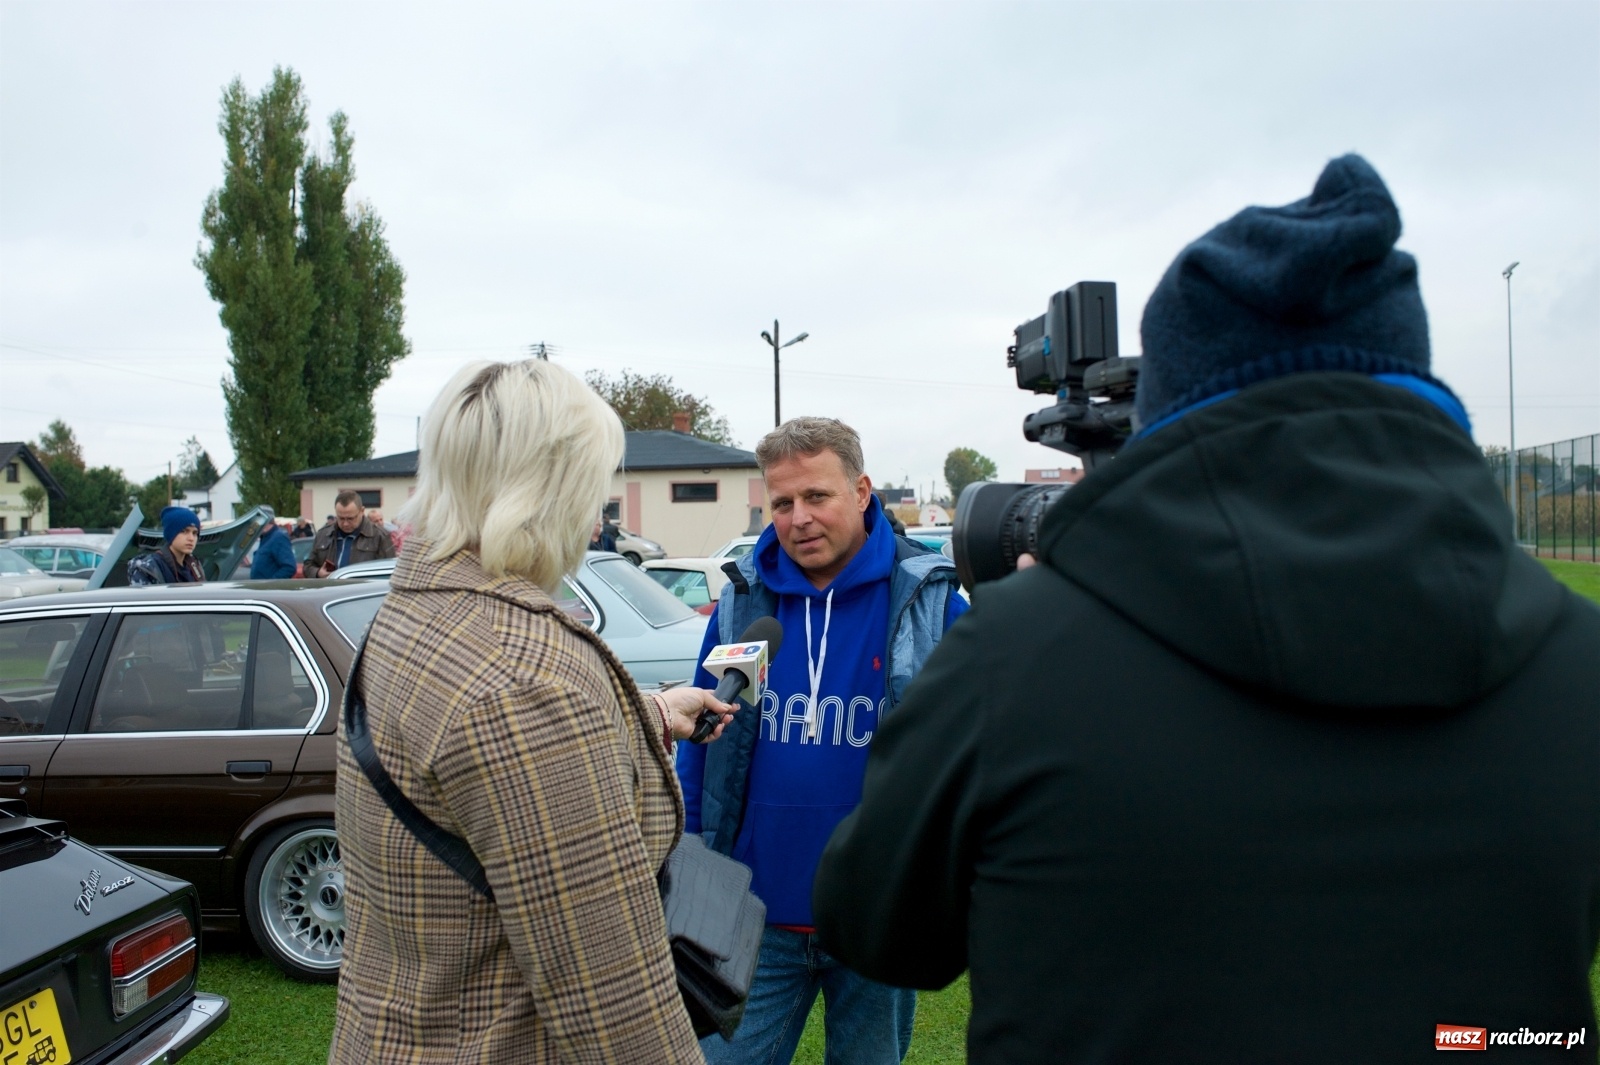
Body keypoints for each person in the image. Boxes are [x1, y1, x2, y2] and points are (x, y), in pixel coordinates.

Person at [812, 155, 1600, 1062]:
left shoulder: (1016, 657)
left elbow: (875, 925)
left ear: (1167, 414)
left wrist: (1040, 620)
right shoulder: (1576, 658)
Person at [329, 359, 738, 1063]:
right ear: (546, 493)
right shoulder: (524, 678)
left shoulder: (419, 611)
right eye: (592, 491)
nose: (595, 518)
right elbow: (614, 1004)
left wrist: (649, 712)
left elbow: (477, 769)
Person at [677, 417, 967, 1065]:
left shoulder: (930, 600)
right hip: (751, 913)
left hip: (879, 913)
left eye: (817, 496)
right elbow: (699, 742)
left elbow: (978, 749)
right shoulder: (743, 603)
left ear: (861, 492)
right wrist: (689, 853)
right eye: (782, 502)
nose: (799, 518)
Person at [307, 491, 395, 576]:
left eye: (350, 518)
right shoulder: (323, 534)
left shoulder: (380, 536)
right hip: (330, 586)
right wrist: (318, 573)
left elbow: (390, 571)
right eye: (341, 518)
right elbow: (308, 566)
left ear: (362, 511)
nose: (345, 523)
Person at [126, 505, 205, 585]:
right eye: (184, 531)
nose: (191, 538)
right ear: (171, 534)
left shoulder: (194, 566)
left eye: (195, 533)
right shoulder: (149, 568)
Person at [249, 511, 298, 579]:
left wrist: (271, 583)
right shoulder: (265, 538)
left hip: (269, 585)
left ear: (264, 521)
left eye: (257, 522)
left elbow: (289, 567)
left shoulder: (278, 537)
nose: (255, 526)